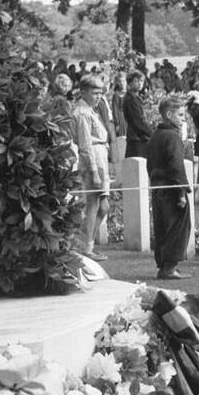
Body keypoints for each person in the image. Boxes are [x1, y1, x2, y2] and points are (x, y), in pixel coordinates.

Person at [146, 95, 192, 280]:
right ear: (168, 114)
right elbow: (176, 166)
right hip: (171, 188)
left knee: (162, 227)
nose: (183, 119)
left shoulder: (156, 135)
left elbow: (150, 164)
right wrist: (181, 191)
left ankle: (164, 265)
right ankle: (170, 267)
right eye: (180, 115)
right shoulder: (172, 136)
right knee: (177, 227)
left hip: (157, 186)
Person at [73, 74, 112, 260]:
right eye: (94, 92)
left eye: (100, 93)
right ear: (83, 92)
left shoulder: (91, 111)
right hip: (92, 162)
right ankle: (84, 247)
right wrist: (94, 172)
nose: (98, 96)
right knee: (93, 205)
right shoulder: (82, 113)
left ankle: (87, 243)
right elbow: (85, 145)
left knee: (104, 206)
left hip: (101, 158)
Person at [122, 71, 152, 160]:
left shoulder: (135, 97)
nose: (139, 83)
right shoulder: (131, 99)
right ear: (130, 83)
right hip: (136, 138)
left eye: (141, 81)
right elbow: (138, 121)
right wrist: (151, 133)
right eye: (136, 81)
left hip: (138, 137)